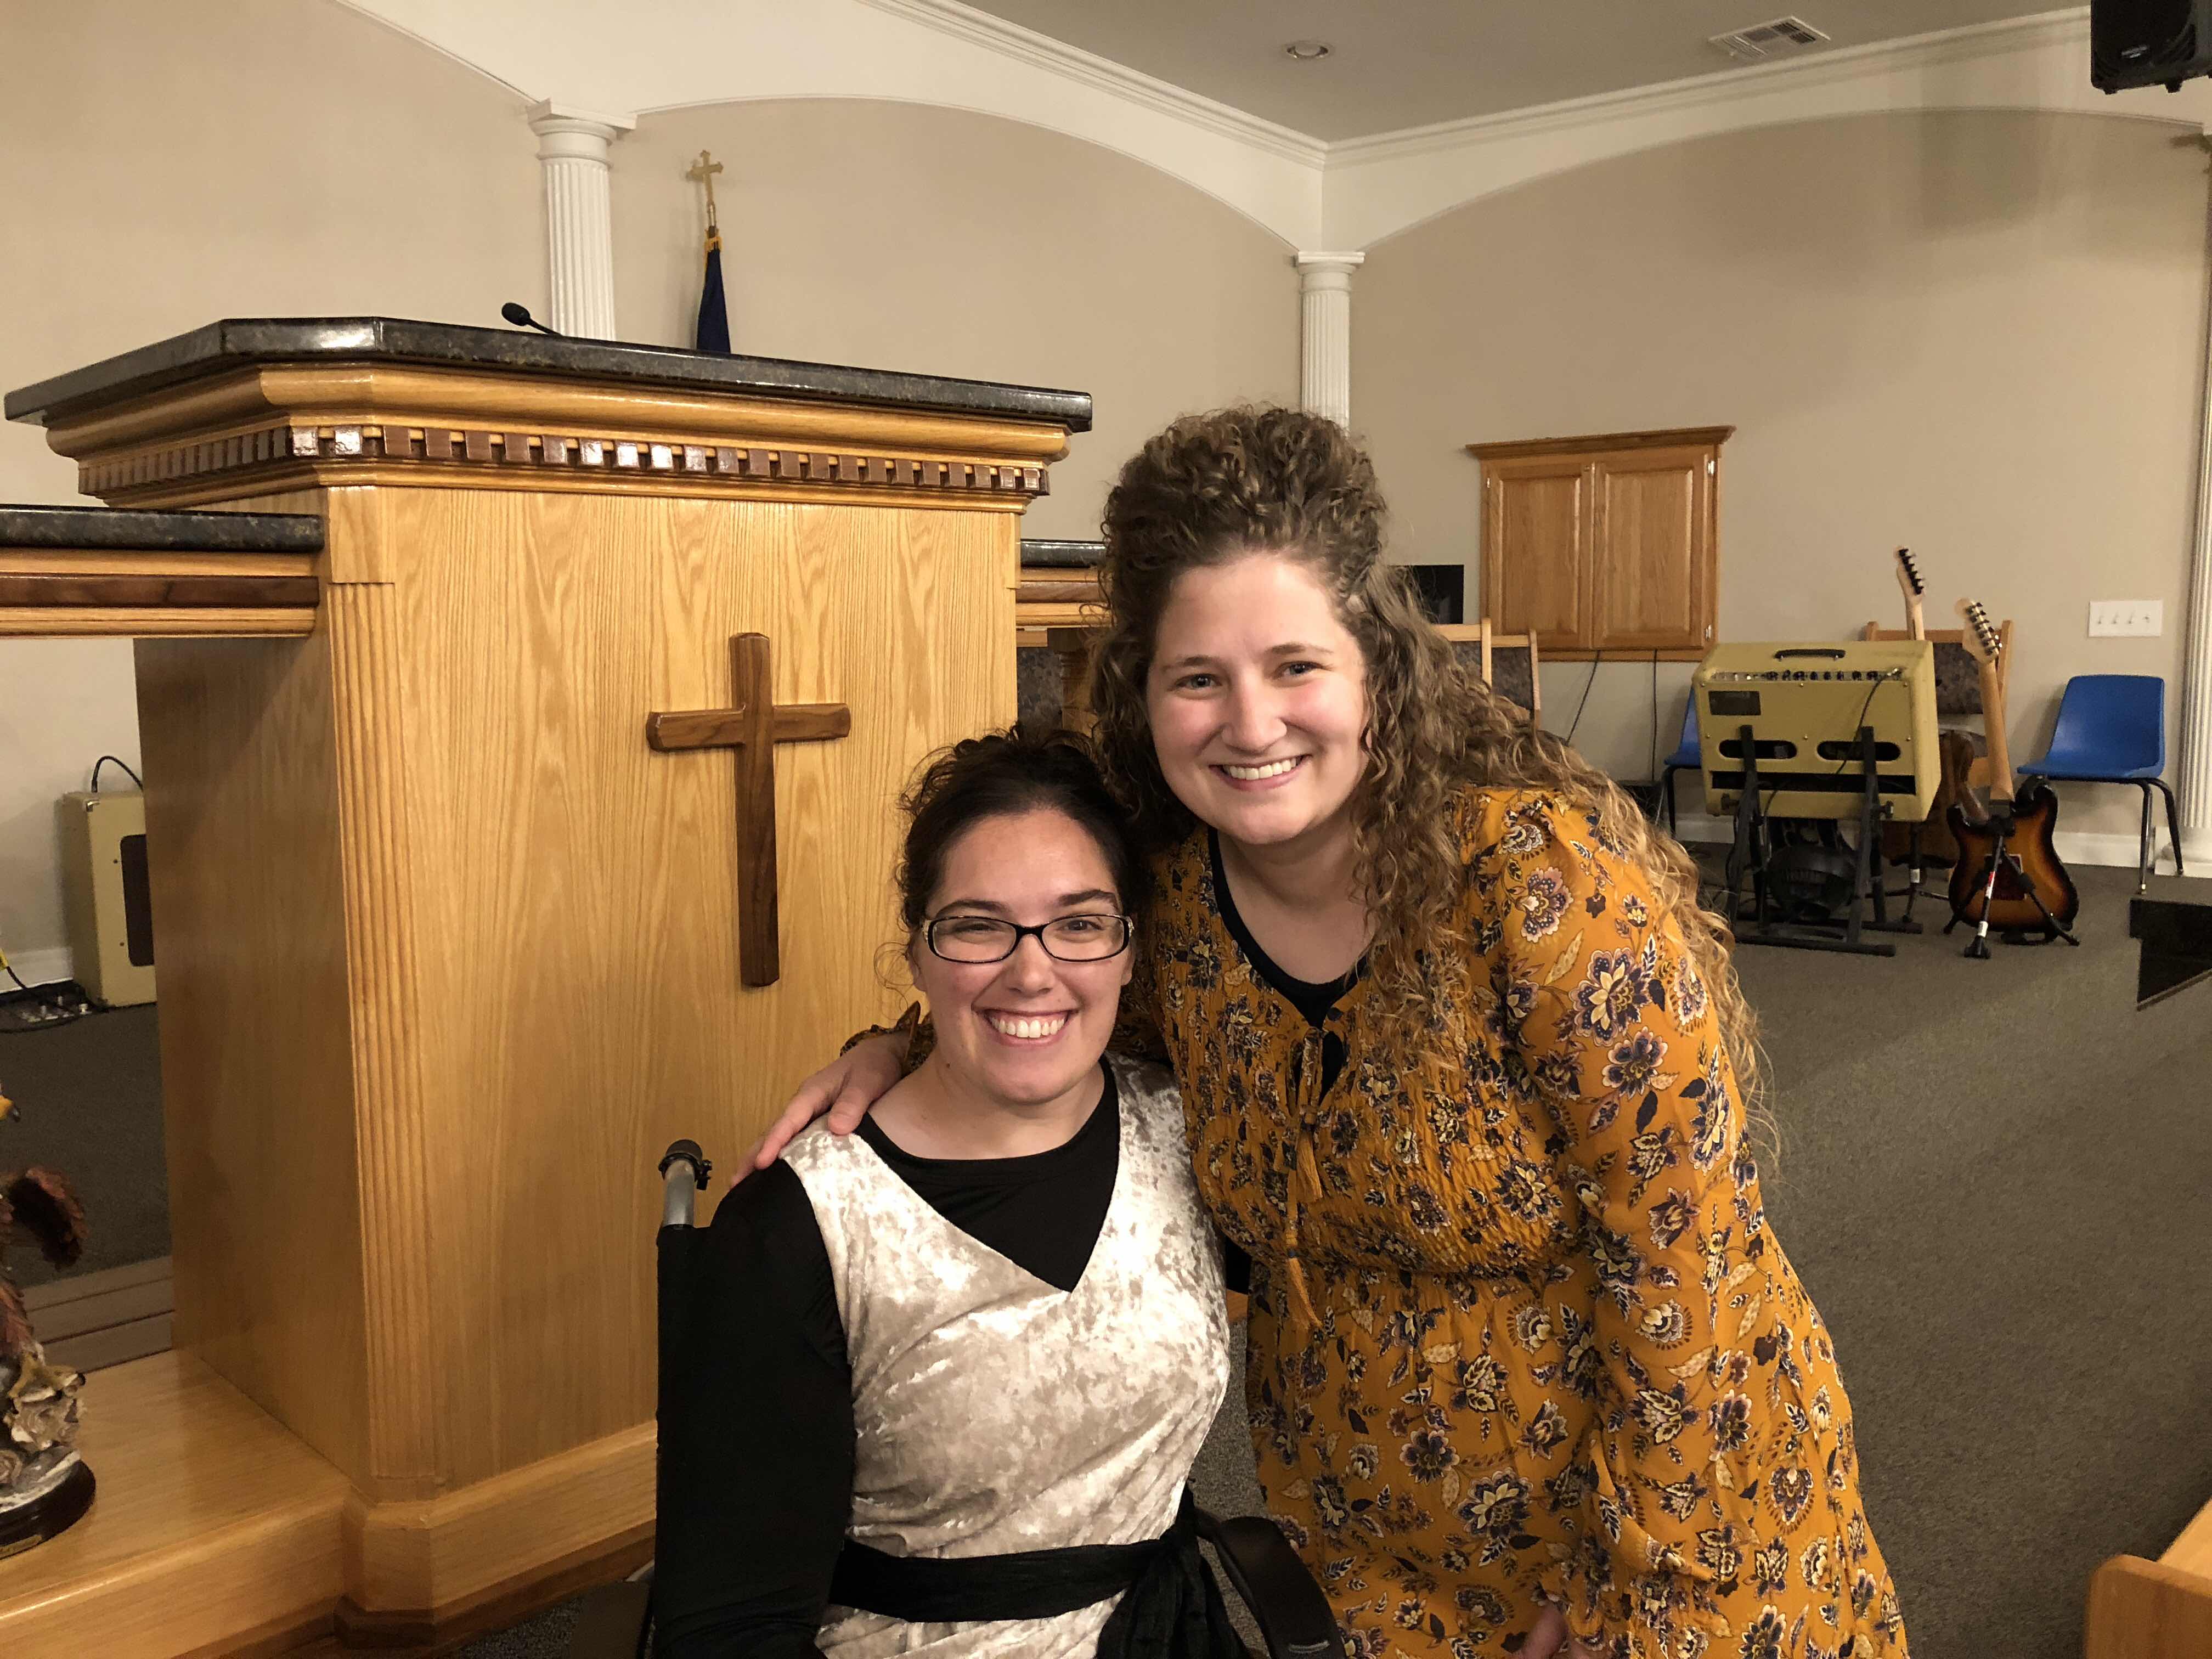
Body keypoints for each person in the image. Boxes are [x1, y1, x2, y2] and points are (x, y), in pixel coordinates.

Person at [755, 408, 1908, 1659]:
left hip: (1662, 1528)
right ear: (1143, 697)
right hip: (1369, 1552)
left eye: (1296, 666)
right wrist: (898, 1046)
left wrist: (1627, 1586)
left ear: (1378, 674)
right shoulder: (1175, 911)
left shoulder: (1537, 888)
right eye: (1200, 679)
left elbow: (1687, 1259)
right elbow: (1040, 996)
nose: (1252, 725)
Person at [652, 728, 1248, 1659]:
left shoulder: (1194, 1131)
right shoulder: (801, 1227)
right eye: (977, 926)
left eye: (1080, 923)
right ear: (917, 952)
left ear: (1131, 950)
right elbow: (733, 1622)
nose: (1032, 972)